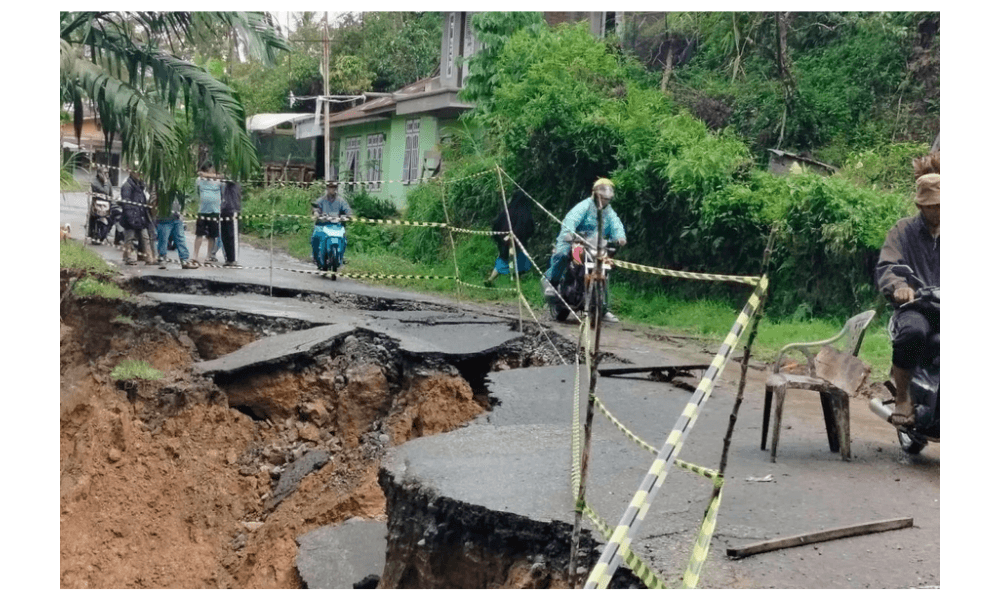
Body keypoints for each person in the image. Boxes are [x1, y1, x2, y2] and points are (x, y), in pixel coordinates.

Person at [875, 154, 940, 429]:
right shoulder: (903, 230)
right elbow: (888, 265)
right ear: (919, 206)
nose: (937, 211)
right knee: (913, 332)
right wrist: (900, 287)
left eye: (941, 205)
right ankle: (903, 397)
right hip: (916, 307)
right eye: (931, 207)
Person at [542, 177, 627, 322]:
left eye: (607, 199)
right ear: (595, 194)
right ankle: (552, 282)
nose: (604, 201)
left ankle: (603, 308)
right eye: (602, 198)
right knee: (562, 255)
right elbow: (571, 220)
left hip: (596, 246)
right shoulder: (584, 206)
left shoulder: (609, 212)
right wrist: (569, 233)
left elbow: (616, 224)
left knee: (604, 271)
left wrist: (620, 237)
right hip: (576, 243)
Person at [485, 190, 535, 287]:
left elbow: (496, 226)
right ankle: (516, 286)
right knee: (519, 263)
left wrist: (499, 239)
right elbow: (530, 228)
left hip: (505, 242)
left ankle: (491, 279)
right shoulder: (525, 214)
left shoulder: (507, 212)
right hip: (519, 243)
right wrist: (525, 238)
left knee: (503, 259)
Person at [119, 161, 155, 266]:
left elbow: (142, 200)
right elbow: (126, 203)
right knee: (129, 238)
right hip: (131, 217)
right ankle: (128, 257)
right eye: (137, 171)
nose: (139, 174)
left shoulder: (139, 185)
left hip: (140, 216)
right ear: (132, 172)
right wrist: (131, 218)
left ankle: (148, 257)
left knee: (145, 237)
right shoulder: (127, 186)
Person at [154, 185, 198, 269]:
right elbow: (154, 198)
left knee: (180, 239)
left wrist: (182, 212)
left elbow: (182, 199)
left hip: (177, 218)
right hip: (164, 218)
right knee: (163, 239)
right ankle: (162, 259)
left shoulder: (178, 185)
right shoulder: (161, 183)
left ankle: (184, 260)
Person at [311, 180, 353, 262]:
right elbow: (315, 207)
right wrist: (316, 213)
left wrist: (348, 216)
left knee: (343, 239)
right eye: (330, 188)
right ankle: (315, 256)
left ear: (336, 189)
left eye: (333, 188)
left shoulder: (341, 201)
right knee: (315, 236)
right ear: (327, 189)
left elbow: (347, 210)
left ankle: (341, 255)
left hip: (336, 225)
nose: (332, 190)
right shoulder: (321, 200)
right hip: (323, 225)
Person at [193, 161, 223, 264]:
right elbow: (199, 175)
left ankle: (208, 256)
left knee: (212, 235)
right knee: (199, 234)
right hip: (202, 210)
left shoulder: (218, 180)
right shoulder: (200, 180)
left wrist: (210, 175)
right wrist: (205, 175)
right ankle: (195, 255)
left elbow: (223, 177)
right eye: (209, 170)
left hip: (215, 211)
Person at [219, 178, 242, 266]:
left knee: (233, 235)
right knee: (225, 235)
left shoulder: (233, 177)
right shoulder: (224, 182)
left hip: (233, 209)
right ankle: (228, 259)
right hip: (224, 208)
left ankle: (234, 259)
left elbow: (228, 178)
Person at [89, 166, 113, 243]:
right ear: (99, 174)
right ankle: (91, 233)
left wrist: (112, 202)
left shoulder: (108, 182)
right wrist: (105, 182)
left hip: (106, 205)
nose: (107, 175)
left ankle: (107, 232)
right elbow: (105, 191)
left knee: (114, 216)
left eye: (107, 173)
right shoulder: (95, 182)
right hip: (97, 205)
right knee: (92, 217)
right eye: (104, 173)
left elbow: (110, 194)